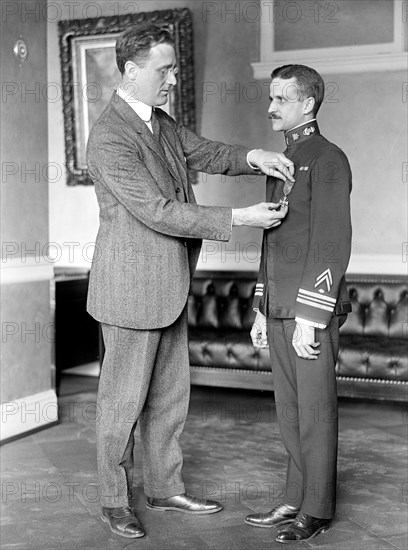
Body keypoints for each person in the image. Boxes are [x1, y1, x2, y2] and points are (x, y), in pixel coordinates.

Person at [86, 23, 295, 539]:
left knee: (169, 400)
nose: (173, 79)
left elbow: (207, 153)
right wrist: (239, 220)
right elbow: (158, 212)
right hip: (130, 293)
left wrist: (254, 157)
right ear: (133, 71)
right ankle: (114, 502)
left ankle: (164, 487)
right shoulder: (110, 138)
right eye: (165, 69)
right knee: (121, 406)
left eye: (175, 69)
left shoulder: (159, 123)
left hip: (170, 284)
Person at [245, 64, 352, 543]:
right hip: (278, 307)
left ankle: (318, 507)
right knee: (288, 410)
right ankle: (294, 494)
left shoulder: (328, 159)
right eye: (271, 98)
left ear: (307, 104)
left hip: (310, 311)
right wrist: (260, 308)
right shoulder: (281, 160)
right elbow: (271, 242)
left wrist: (311, 316)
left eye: (281, 100)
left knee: (315, 410)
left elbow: (332, 242)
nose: (271, 108)